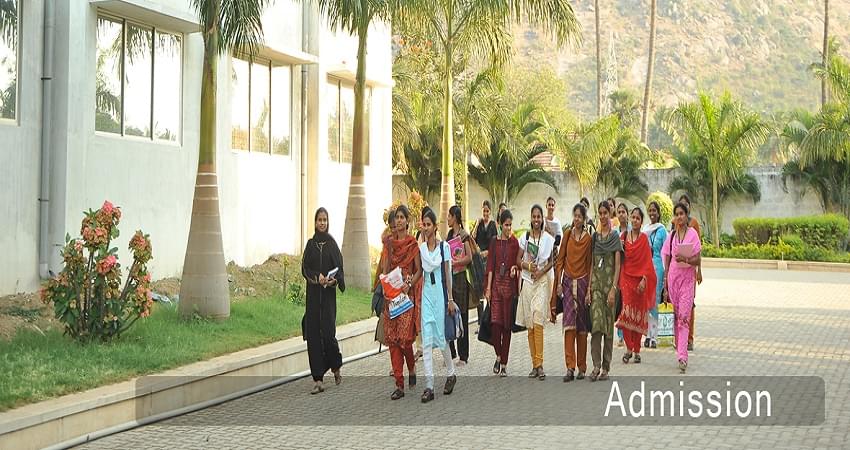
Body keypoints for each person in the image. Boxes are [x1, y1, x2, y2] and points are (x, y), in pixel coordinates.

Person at [301, 208, 345, 395]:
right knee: (313, 336)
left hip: (327, 299)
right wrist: (315, 277)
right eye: (319, 219)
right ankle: (317, 379)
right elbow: (305, 268)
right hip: (313, 298)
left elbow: (340, 270)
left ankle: (335, 366)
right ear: (315, 222)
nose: (322, 223)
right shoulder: (311, 245)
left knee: (328, 335)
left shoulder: (332, 245)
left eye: (325, 220)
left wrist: (333, 280)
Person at [381, 205, 422, 400]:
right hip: (391, 294)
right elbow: (385, 267)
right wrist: (384, 286)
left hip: (406, 295)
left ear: (407, 221)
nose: (398, 221)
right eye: (396, 218)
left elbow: (418, 270)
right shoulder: (389, 244)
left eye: (401, 217)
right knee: (393, 339)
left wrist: (409, 285)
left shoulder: (412, 244)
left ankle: (411, 367)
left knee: (405, 338)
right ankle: (399, 383)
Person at [417, 210, 458, 402]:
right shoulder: (422, 249)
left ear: (434, 226)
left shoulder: (444, 248)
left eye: (428, 224)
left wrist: (450, 299)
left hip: (440, 296)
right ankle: (429, 386)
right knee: (426, 341)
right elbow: (420, 273)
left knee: (442, 339)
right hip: (426, 295)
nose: (425, 228)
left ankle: (451, 373)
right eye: (423, 225)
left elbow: (448, 275)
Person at [550, 203, 593, 382]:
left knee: (582, 328)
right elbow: (560, 260)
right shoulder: (567, 235)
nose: (576, 219)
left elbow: (590, 264)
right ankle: (570, 367)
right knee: (569, 326)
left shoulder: (588, 239)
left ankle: (582, 367)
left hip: (582, 283)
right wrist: (559, 282)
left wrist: (589, 288)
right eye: (574, 215)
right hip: (567, 283)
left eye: (579, 217)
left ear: (584, 219)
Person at [516, 205, 556, 381]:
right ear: (531, 218)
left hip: (541, 282)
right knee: (530, 324)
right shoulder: (524, 237)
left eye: (539, 216)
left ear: (542, 218)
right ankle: (534, 364)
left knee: (538, 318)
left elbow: (551, 260)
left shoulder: (548, 238)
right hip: (527, 282)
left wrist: (541, 271)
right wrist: (527, 265)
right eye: (534, 216)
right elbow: (518, 260)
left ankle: (540, 364)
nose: (536, 219)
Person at [662, 202, 702, 373]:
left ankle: (683, 356)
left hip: (687, 281)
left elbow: (698, 259)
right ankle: (679, 349)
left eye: (682, 214)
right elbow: (667, 259)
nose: (679, 217)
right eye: (676, 214)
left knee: (685, 317)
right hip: (673, 281)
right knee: (677, 316)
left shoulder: (692, 235)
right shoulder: (671, 236)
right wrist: (665, 283)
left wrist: (685, 260)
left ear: (687, 216)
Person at [616, 207, 657, 365]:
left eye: (637, 218)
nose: (634, 220)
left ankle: (637, 350)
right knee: (627, 315)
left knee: (638, 315)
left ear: (641, 221)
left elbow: (648, 263)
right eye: (632, 217)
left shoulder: (644, 240)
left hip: (640, 282)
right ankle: (628, 348)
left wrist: (644, 280)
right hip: (626, 279)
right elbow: (620, 260)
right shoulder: (623, 237)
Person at [588, 201, 622, 382]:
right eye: (600, 213)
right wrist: (589, 289)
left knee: (608, 328)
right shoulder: (595, 237)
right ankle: (595, 365)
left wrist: (613, 289)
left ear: (610, 214)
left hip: (610, 288)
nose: (602, 216)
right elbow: (592, 264)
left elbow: (617, 265)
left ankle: (606, 367)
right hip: (596, 287)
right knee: (596, 326)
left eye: (605, 213)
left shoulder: (615, 237)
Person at [485, 209, 520, 377]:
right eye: (506, 225)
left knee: (506, 327)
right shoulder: (494, 242)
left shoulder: (514, 242)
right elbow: (490, 266)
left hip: (509, 288)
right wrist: (488, 289)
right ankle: (498, 355)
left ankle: (504, 363)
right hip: (496, 288)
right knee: (495, 326)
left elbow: (517, 263)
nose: (508, 228)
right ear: (499, 225)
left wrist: (514, 268)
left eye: (510, 225)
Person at [446, 205, 473, 366]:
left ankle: (464, 355)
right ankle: (451, 352)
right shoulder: (449, 235)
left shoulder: (464, 236)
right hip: (451, 279)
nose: (448, 219)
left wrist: (456, 262)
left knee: (462, 316)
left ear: (455, 217)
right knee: (449, 315)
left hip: (462, 279)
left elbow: (469, 257)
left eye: (449, 216)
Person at [676, 194, 702, 352]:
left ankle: (689, 338)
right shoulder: (675, 224)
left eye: (685, 206)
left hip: (690, 271)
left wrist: (700, 271)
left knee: (689, 304)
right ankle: (679, 338)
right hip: (677, 272)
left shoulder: (694, 225)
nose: (680, 215)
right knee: (678, 306)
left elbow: (698, 250)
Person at [643, 201, 668, 348]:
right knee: (647, 301)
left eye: (654, 211)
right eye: (650, 210)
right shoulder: (645, 229)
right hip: (646, 267)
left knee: (655, 300)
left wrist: (666, 275)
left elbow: (666, 253)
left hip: (658, 267)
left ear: (658, 213)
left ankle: (655, 336)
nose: (652, 213)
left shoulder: (662, 230)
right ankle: (648, 334)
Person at [473, 200, 499, 331]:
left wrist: (487, 252)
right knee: (480, 290)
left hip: (489, 259)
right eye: (484, 211)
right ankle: (480, 321)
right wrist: (476, 224)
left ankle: (490, 319)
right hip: (479, 261)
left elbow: (495, 244)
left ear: (490, 212)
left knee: (489, 289)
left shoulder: (493, 225)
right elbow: (473, 239)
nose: (485, 213)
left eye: (487, 211)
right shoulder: (479, 224)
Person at [614, 202, 630, 347]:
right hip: (618, 271)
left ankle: (629, 333)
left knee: (628, 302)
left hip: (630, 271)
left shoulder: (633, 231)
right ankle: (620, 334)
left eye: (623, 212)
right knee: (620, 301)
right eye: (618, 212)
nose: (621, 214)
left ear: (628, 214)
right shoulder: (614, 232)